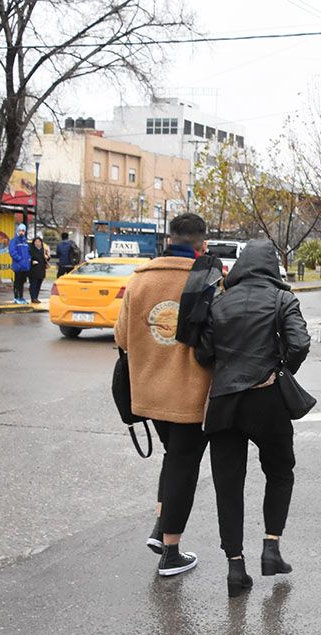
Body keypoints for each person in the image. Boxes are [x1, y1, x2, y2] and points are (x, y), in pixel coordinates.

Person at [197, 240, 311, 597]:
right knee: (279, 471)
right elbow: (300, 343)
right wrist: (280, 370)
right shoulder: (282, 299)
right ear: (272, 267)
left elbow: (202, 351)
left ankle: (235, 567)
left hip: (224, 402)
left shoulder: (218, 301)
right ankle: (271, 548)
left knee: (227, 486)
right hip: (267, 399)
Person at [115, 213, 216, 578]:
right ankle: (171, 552)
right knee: (184, 465)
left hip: (149, 391)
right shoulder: (206, 278)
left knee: (175, 458)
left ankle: (161, 526)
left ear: (168, 238)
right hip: (190, 393)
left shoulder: (139, 281)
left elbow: (122, 338)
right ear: (201, 245)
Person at [9, 224, 31, 304]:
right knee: (17, 282)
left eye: (23, 230)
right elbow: (12, 252)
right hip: (18, 266)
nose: (21, 232)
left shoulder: (25, 241)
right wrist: (19, 259)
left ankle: (21, 297)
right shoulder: (14, 241)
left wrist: (28, 259)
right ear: (17, 231)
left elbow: (28, 252)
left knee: (22, 282)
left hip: (25, 266)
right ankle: (16, 297)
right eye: (20, 230)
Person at [28, 236, 49, 304]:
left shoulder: (44, 249)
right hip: (33, 269)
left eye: (39, 242)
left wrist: (47, 257)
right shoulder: (31, 249)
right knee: (33, 284)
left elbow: (47, 259)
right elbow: (27, 258)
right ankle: (33, 297)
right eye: (36, 242)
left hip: (41, 269)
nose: (38, 243)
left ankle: (36, 297)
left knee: (38, 284)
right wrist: (31, 262)